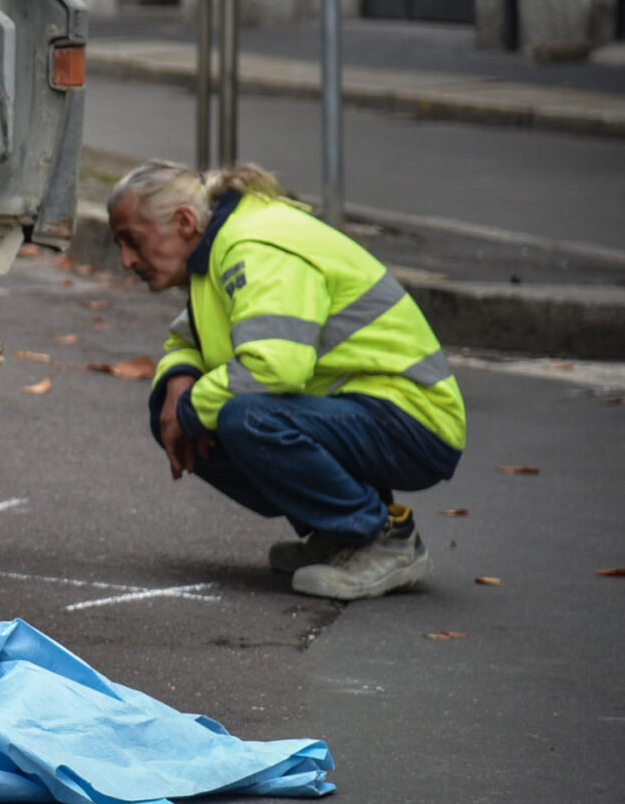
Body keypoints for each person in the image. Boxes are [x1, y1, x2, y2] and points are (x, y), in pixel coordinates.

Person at [106, 159, 464, 601]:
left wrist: (192, 408)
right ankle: (339, 534)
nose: (127, 261)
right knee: (175, 414)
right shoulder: (218, 249)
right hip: (361, 409)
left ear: (183, 222)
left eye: (132, 241)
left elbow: (274, 367)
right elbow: (188, 337)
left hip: (413, 420)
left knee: (243, 418)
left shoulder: (253, 246)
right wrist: (180, 377)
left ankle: (382, 538)